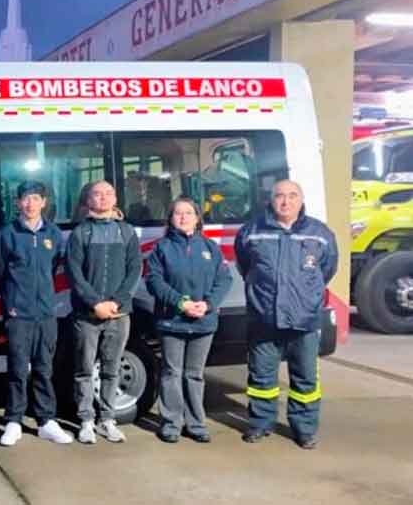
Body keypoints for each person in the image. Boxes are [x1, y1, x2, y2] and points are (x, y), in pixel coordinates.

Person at [235, 180, 338, 449]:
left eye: (292, 196)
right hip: (264, 318)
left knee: (305, 378)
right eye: (280, 196)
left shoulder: (320, 233)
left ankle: (304, 429)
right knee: (261, 378)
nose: (286, 201)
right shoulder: (251, 232)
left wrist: (305, 296)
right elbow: (246, 267)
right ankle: (260, 423)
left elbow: (326, 270)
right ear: (271, 200)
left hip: (304, 320)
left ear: (301, 200)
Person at [145, 197, 233, 444]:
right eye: (177, 213)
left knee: (194, 374)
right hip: (172, 321)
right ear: (171, 219)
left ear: (197, 218)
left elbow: (224, 280)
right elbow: (154, 281)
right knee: (172, 372)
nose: (183, 217)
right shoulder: (161, 248)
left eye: (188, 213)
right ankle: (171, 423)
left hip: (203, 321)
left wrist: (208, 304)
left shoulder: (210, 248)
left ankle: (196, 423)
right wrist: (180, 302)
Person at [0, 181, 73, 446]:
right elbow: (0, 273)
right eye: (25, 199)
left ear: (44, 202)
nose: (30, 204)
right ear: (18, 203)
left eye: (35, 198)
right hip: (19, 314)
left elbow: (53, 269)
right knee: (17, 368)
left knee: (44, 368)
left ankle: (45, 420)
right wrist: (11, 305)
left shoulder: (54, 234)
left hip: (46, 313)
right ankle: (14, 420)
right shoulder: (8, 234)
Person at [65, 180, 141, 444]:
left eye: (109, 193)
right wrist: (95, 303)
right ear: (88, 200)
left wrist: (117, 302)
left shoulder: (127, 232)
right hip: (87, 315)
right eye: (97, 194)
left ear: (115, 198)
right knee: (84, 369)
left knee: (112, 370)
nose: (103, 198)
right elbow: (74, 273)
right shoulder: (80, 233)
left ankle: (107, 420)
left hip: (119, 315)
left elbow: (135, 270)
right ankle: (86, 420)